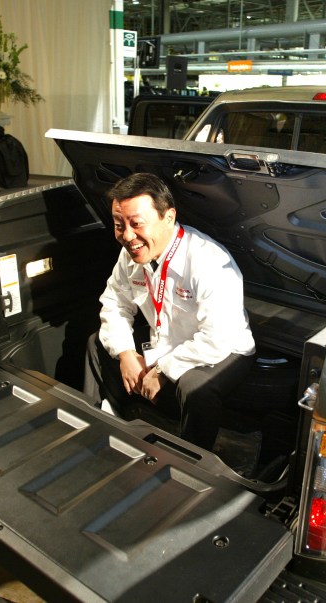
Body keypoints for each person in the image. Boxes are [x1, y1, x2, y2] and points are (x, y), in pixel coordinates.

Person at [83, 172, 256, 450]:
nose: (127, 236)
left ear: (169, 217)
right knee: (97, 344)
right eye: (119, 225)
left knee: (194, 387)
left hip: (222, 349)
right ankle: (102, 425)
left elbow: (217, 338)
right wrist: (126, 354)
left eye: (136, 224)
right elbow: (114, 304)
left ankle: (192, 462)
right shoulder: (131, 254)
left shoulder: (208, 262)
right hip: (166, 340)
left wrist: (163, 369)